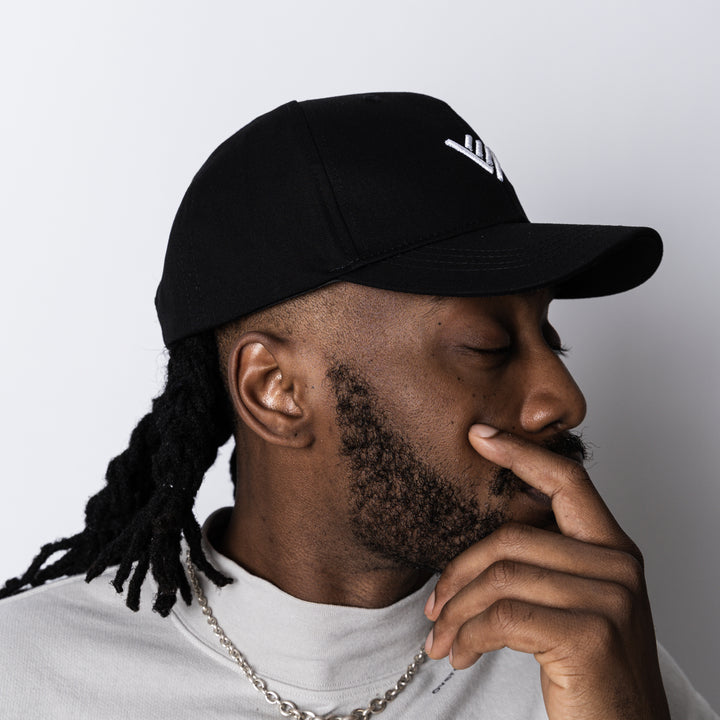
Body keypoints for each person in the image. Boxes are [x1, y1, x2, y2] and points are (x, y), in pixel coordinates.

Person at [0, 92, 716, 720]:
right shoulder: (27, 678)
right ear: (275, 390)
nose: (565, 399)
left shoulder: (596, 660)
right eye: (489, 346)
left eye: (551, 339)